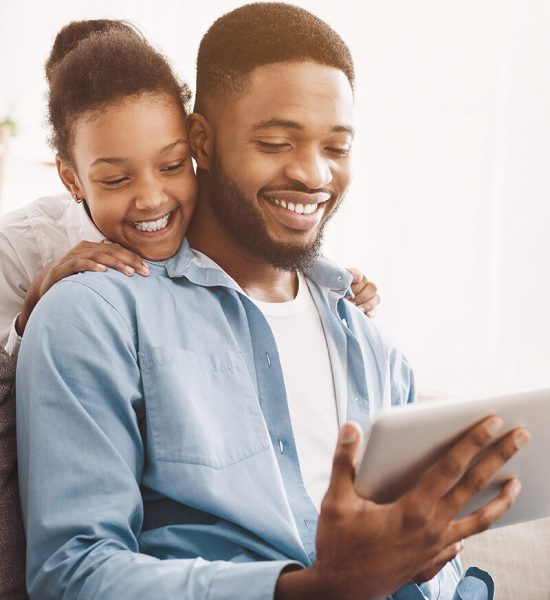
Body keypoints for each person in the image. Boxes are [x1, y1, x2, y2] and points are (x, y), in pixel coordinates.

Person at [16, 4, 529, 599]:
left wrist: (427, 555)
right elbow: (71, 573)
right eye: (276, 142)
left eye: (336, 148)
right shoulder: (93, 312)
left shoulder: (370, 342)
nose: (313, 174)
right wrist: (316, 589)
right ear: (202, 141)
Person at [0, 19, 381, 356]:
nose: (152, 199)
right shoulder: (21, 248)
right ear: (71, 179)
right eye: (116, 179)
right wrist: (33, 312)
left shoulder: (211, 212)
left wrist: (329, 281)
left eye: (172, 165)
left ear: (196, 146)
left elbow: (265, 242)